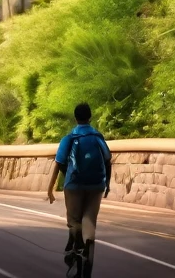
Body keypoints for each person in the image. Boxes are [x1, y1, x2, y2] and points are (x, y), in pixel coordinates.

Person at [46, 102, 111, 277]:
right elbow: (107, 160)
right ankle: (88, 244)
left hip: (74, 185)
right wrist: (108, 184)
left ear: (75, 118)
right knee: (89, 218)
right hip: (96, 185)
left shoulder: (69, 138)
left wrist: (50, 189)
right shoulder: (98, 137)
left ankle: (76, 250)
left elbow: (58, 163)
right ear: (90, 117)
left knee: (74, 220)